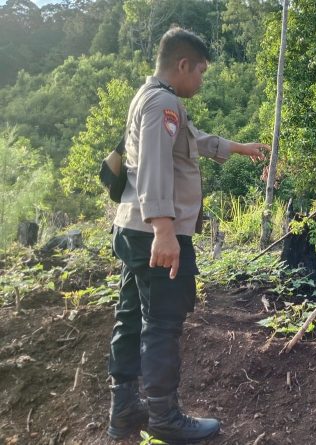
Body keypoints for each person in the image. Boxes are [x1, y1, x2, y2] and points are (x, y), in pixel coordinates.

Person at [106, 27, 265, 442]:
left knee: (131, 315)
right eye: (201, 72)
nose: (201, 80)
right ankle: (164, 418)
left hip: (130, 227)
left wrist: (239, 147)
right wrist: (165, 230)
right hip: (153, 232)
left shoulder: (149, 97)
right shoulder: (164, 103)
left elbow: (190, 143)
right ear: (183, 65)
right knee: (162, 321)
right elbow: (158, 165)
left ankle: (123, 409)